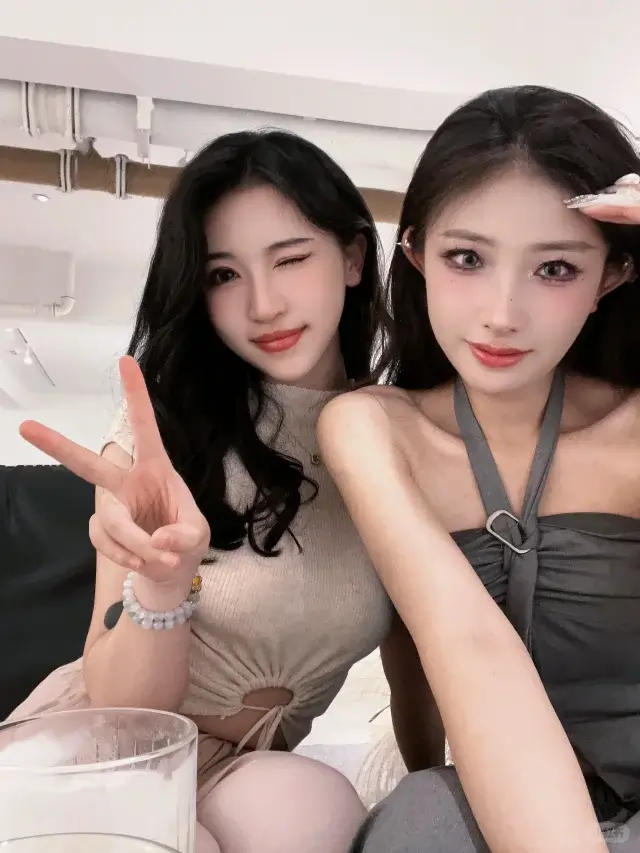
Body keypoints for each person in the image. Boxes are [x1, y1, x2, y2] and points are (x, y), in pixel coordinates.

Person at [6, 130, 432, 853]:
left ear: (354, 258)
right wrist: (163, 583)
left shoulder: (399, 434)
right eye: (224, 274)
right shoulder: (163, 430)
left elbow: (415, 648)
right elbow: (122, 707)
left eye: (291, 259)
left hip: (253, 776)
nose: (263, 304)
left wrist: (433, 788)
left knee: (313, 806)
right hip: (107, 750)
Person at [317, 86, 640, 853]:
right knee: (423, 819)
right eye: (467, 258)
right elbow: (456, 641)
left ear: (612, 276)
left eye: (555, 268)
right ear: (417, 255)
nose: (502, 312)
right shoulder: (371, 427)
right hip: (511, 800)